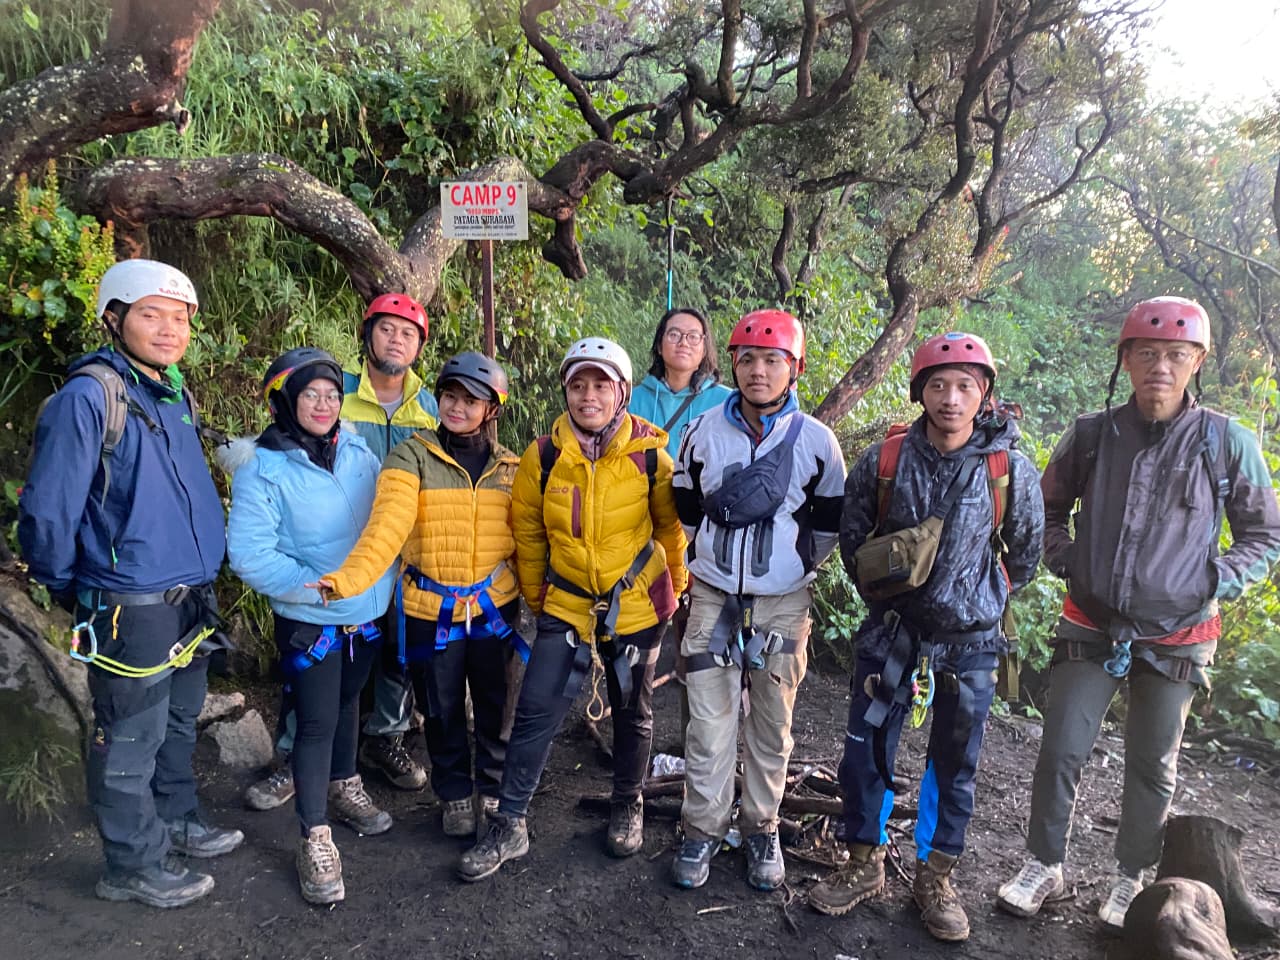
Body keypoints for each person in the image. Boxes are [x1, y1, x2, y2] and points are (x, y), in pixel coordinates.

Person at [997, 297, 1280, 929]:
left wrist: (1216, 578)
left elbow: (1266, 535)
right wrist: (1067, 559)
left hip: (1180, 634)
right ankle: (1044, 862)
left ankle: (1131, 878)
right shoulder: (1093, 434)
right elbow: (1043, 511)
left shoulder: (1226, 441)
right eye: (1146, 353)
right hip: (1091, 621)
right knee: (1061, 748)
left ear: (1197, 360)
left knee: (1153, 764)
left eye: (1177, 354)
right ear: (1125, 359)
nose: (1161, 365)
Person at [19, 258, 241, 908]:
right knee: (129, 735)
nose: (170, 330)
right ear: (114, 318)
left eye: (180, 318)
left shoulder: (172, 392)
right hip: (130, 603)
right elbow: (48, 511)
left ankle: (175, 820)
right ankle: (131, 863)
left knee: (177, 724)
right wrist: (73, 587)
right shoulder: (91, 397)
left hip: (190, 597)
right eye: (152, 314)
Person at [807, 332, 1044, 942]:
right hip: (892, 632)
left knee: (954, 762)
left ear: (985, 392)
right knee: (865, 749)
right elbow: (854, 542)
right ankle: (863, 862)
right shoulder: (885, 460)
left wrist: (976, 601)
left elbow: (1026, 554)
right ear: (919, 392)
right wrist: (893, 600)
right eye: (938, 385)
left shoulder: (1007, 468)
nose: (951, 397)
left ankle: (935, 875)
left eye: (966, 385)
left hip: (971, 641)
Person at [457, 337, 687, 881]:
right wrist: (540, 598)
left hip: (635, 605)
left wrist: (672, 590)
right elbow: (530, 536)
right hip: (566, 604)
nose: (589, 396)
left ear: (622, 393)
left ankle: (627, 801)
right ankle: (510, 822)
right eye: (579, 385)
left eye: (600, 385)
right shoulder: (545, 456)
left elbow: (670, 532)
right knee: (536, 709)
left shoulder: (651, 455)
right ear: (566, 391)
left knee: (633, 708)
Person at [670, 308, 847, 893]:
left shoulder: (818, 443)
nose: (759, 372)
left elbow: (827, 526)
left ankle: (761, 825)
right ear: (735, 365)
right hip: (713, 594)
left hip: (783, 601)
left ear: (793, 369)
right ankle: (701, 827)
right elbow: (687, 507)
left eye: (773, 361)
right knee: (708, 722)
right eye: (748, 359)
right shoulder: (703, 433)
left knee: (772, 724)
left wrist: (789, 571)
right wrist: (716, 565)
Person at [312, 352, 521, 840]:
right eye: (450, 396)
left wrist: (545, 598)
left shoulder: (511, 468)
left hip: (495, 609)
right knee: (442, 708)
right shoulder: (412, 455)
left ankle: (492, 790)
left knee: (496, 705)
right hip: (431, 608)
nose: (456, 407)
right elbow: (387, 527)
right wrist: (347, 579)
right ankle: (453, 796)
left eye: (471, 400)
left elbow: (526, 542)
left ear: (492, 409)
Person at [243, 293, 436, 810]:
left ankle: (383, 740)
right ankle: (297, 756)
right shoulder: (334, 391)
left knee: (395, 653)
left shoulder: (432, 405)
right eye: (387, 330)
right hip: (327, 561)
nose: (397, 340)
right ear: (367, 334)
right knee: (315, 670)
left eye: (409, 333)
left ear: (420, 346)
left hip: (400, 558)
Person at [224, 348, 397, 904]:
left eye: (331, 393)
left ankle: (345, 784)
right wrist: (318, 588)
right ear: (285, 402)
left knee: (350, 703)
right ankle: (313, 834)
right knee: (317, 721)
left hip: (367, 613)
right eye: (310, 395)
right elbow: (251, 555)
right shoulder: (263, 467)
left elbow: (383, 520)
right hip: (312, 622)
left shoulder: (356, 450)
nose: (323, 404)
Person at [629, 306, 732, 460]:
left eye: (693, 336)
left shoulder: (726, 402)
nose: (683, 342)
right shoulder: (632, 400)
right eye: (674, 334)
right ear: (659, 345)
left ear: (704, 349)